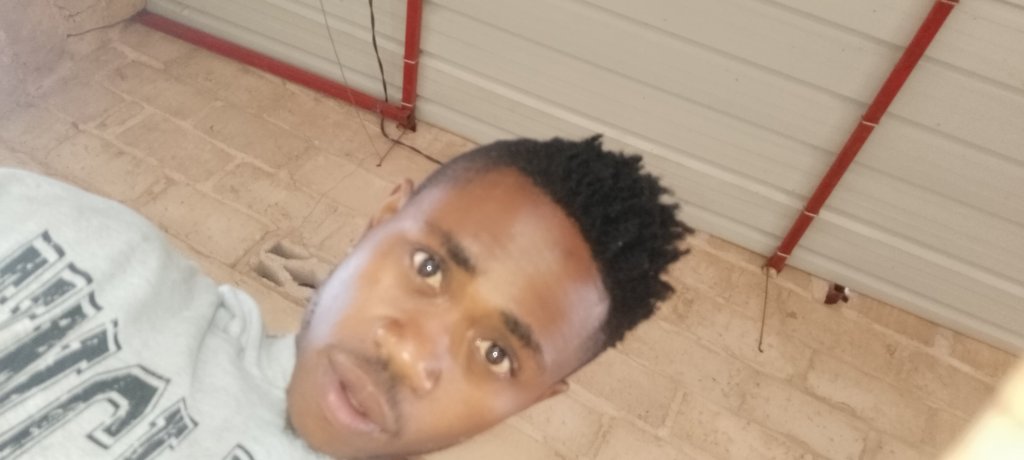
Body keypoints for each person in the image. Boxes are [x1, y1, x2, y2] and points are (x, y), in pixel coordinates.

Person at [0, 136, 691, 459]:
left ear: (537, 400)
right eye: (428, 266)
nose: (409, 354)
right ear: (380, 220)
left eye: (495, 353)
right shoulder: (84, 242)